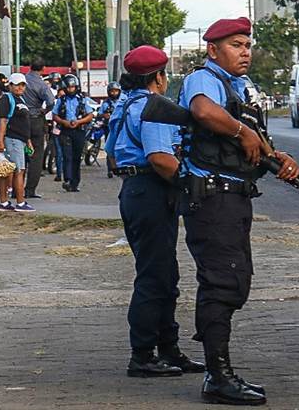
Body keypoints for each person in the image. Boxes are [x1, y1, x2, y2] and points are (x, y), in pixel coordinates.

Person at [178, 17, 299, 405]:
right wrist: (242, 133)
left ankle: (219, 370)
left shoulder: (237, 86)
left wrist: (273, 154)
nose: (245, 51)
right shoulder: (204, 79)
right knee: (221, 282)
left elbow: (248, 130)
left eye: (247, 45)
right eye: (236, 44)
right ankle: (218, 376)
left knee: (235, 280)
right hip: (212, 197)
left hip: (233, 196)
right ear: (213, 49)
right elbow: (203, 112)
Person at [107, 46, 205, 378]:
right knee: (154, 277)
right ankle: (143, 354)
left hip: (134, 191)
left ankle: (168, 349)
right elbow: (160, 157)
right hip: (151, 190)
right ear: (159, 77)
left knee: (164, 274)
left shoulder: (125, 105)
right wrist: (192, 184)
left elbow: (111, 153)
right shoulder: (154, 108)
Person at [0, 73, 36, 212]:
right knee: (18, 170)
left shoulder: (20, 99)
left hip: (20, 140)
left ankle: (5, 203)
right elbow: (3, 121)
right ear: (10, 85)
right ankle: (20, 202)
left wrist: (28, 140)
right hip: (12, 139)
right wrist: (0, 141)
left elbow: (24, 122)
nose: (20, 87)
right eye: (17, 84)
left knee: (9, 171)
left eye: (23, 85)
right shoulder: (6, 99)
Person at [52, 74, 94, 192]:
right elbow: (55, 115)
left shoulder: (82, 100)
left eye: (73, 87)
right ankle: (68, 179)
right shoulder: (61, 101)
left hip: (79, 131)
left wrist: (79, 122)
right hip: (65, 131)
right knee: (67, 156)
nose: (71, 90)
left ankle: (75, 182)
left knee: (76, 157)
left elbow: (90, 115)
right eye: (69, 87)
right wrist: (63, 122)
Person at [23, 57, 55, 198]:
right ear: (43, 69)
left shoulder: (21, 81)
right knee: (36, 156)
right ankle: (30, 190)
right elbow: (51, 101)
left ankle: (14, 188)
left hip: (19, 120)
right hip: (35, 119)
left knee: (18, 154)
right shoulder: (41, 85)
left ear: (30, 66)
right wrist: (44, 111)